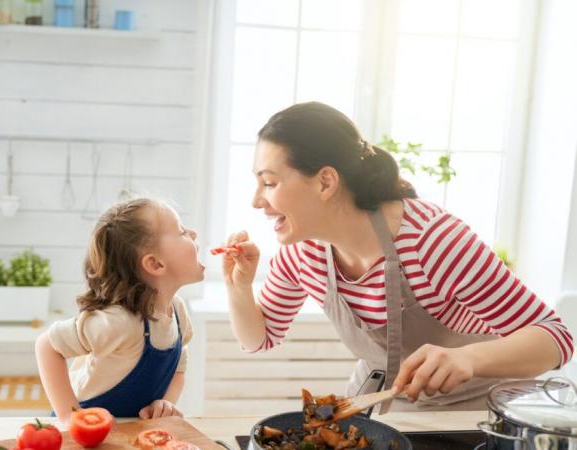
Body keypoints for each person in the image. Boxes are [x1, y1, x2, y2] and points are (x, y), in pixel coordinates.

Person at [220, 102, 574, 411]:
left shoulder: (433, 242)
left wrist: (468, 358)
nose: (256, 200)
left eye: (269, 182)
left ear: (325, 182)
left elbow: (557, 338)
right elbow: (259, 339)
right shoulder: (302, 254)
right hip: (378, 407)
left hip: (468, 415)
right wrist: (239, 288)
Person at [35, 198, 203, 422]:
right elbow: (47, 345)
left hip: (129, 431)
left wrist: (166, 403)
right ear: (155, 264)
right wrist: (69, 418)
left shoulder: (179, 313)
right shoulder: (120, 322)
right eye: (182, 232)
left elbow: (178, 368)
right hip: (83, 433)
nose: (193, 233)